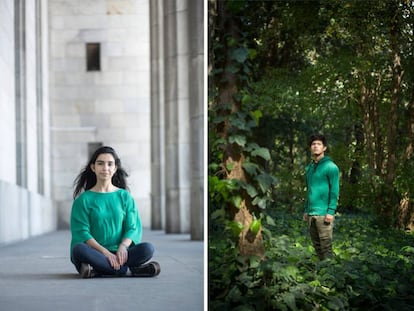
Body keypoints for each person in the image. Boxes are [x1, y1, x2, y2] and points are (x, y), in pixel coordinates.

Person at [70, 146, 160, 278]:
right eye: (100, 163)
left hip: (120, 253)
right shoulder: (83, 200)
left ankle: (97, 270)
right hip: (95, 253)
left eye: (109, 164)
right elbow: (82, 232)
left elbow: (132, 227)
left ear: (115, 168)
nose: (105, 168)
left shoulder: (124, 196)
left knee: (148, 248)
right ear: (93, 167)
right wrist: (105, 253)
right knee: (79, 249)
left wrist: (123, 246)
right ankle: (128, 270)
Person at [303, 134, 340, 260]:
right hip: (311, 214)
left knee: (326, 247)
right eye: (313, 144)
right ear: (310, 148)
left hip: (324, 214)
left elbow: (335, 191)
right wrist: (306, 210)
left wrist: (331, 212)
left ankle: (331, 275)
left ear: (324, 148)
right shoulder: (309, 168)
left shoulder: (331, 167)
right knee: (317, 246)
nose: (315, 146)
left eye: (319, 144)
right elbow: (309, 191)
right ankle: (321, 273)